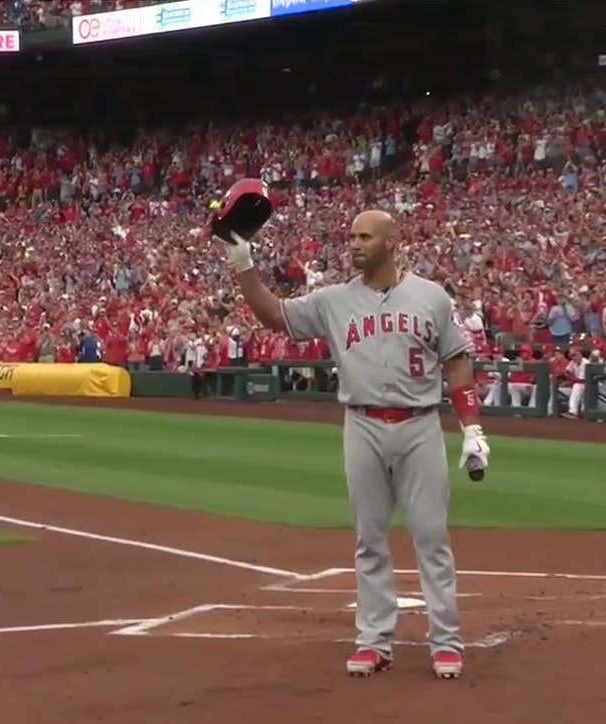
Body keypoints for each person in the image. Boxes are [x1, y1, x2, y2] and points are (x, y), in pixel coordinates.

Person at [213, 179, 489, 680]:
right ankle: (374, 641)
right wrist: (243, 264)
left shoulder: (432, 298)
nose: (354, 245)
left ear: (391, 242)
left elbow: (456, 361)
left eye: (365, 237)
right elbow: (273, 315)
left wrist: (472, 429)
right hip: (360, 423)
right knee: (369, 539)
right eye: (353, 237)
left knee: (431, 538)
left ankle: (446, 643)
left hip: (420, 425)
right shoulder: (336, 300)